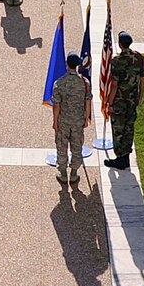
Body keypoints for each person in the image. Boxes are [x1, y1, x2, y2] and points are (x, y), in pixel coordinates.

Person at [103, 32, 144, 169]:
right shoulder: (139, 58)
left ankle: (120, 158)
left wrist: (109, 103)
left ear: (120, 44)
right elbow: (142, 79)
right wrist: (140, 96)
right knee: (129, 128)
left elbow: (114, 85)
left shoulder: (116, 61)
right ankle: (126, 157)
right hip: (132, 100)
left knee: (118, 130)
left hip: (120, 102)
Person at [51, 53, 90, 187]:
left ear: (67, 64)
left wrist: (55, 121)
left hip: (63, 121)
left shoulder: (59, 83)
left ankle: (62, 172)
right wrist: (86, 118)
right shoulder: (85, 82)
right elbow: (88, 101)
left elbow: (56, 105)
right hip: (78, 121)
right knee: (77, 147)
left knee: (62, 147)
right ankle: (74, 173)